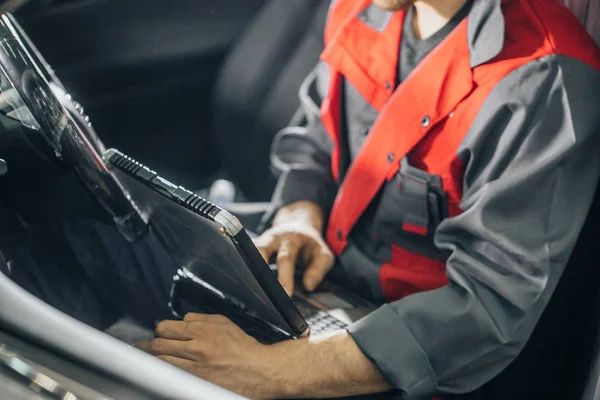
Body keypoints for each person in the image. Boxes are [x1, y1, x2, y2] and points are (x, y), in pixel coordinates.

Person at [7, 0, 600, 399]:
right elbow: (312, 140)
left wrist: (278, 372)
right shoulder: (366, 9)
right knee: (60, 253)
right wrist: (300, 212)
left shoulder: (544, 82)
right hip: (315, 288)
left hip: (410, 354)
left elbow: (487, 311)